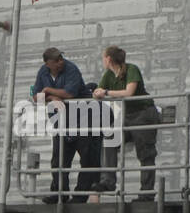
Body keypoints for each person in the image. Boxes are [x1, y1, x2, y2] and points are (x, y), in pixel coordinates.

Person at [92, 46, 160, 200]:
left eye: (103, 57)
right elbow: (98, 90)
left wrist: (106, 93)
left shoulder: (131, 69)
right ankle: (108, 181)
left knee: (145, 153)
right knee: (109, 138)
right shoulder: (109, 74)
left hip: (144, 114)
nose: (103, 60)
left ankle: (147, 192)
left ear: (108, 59)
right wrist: (98, 92)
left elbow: (129, 92)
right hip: (127, 116)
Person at [32, 47, 98, 202]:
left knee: (88, 160)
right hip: (61, 123)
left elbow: (69, 94)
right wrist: (50, 98)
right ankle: (59, 194)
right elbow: (35, 97)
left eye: (61, 58)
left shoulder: (71, 69)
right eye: (56, 60)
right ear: (48, 63)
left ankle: (80, 197)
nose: (60, 61)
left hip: (83, 122)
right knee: (58, 161)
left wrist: (47, 90)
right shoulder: (43, 72)